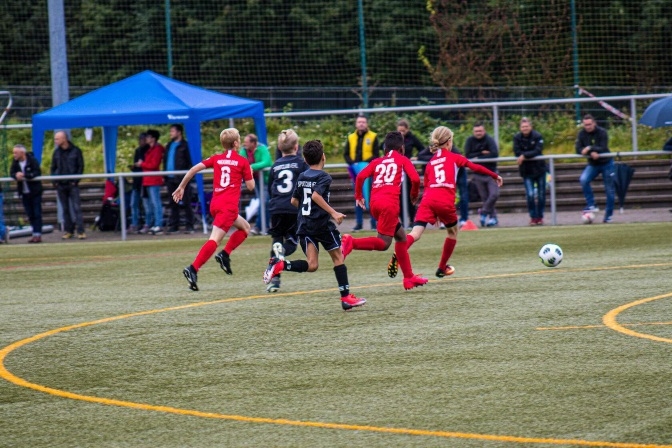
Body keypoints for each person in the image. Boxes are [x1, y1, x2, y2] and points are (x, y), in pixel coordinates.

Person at [263, 140, 366, 311]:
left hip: (304, 225)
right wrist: (334, 213)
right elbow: (316, 196)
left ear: (305, 158)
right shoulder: (324, 177)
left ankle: (281, 265)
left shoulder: (302, 176)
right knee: (338, 258)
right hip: (322, 225)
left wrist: (307, 212)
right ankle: (346, 298)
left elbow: (294, 200)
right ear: (323, 157)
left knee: (312, 265)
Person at [388, 126, 503, 279]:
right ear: (449, 142)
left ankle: (399, 251)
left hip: (428, 199)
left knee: (415, 233)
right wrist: (495, 175)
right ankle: (442, 267)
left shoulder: (430, 163)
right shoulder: (455, 157)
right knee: (453, 232)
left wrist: (433, 212)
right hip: (444, 199)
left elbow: (426, 185)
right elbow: (474, 166)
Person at [340, 131, 428, 291]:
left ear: (385, 149)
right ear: (402, 148)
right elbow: (415, 179)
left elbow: (360, 177)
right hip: (389, 205)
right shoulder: (403, 159)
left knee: (401, 237)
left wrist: (359, 196)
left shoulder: (377, 161)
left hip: (375, 203)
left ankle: (408, 278)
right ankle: (352, 242)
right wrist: (414, 195)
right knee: (383, 244)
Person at [173, 128, 255, 291]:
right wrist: (250, 172)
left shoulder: (217, 158)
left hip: (216, 204)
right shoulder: (242, 161)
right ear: (236, 143)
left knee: (245, 228)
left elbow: (194, 169)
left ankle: (224, 254)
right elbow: (251, 186)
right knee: (214, 240)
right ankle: (193, 268)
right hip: (228, 207)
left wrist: (181, 186)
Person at [264, 129, 309, 293]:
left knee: (276, 240)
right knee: (292, 242)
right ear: (297, 147)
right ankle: (281, 254)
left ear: (279, 148)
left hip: (276, 207)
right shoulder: (301, 164)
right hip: (293, 208)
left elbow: (270, 188)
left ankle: (274, 281)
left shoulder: (275, 166)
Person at [575, 114, 615, 223]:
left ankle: (608, 216)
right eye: (585, 125)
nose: (588, 127)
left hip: (607, 163)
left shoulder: (602, 132)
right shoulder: (581, 134)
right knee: (583, 179)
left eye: (589, 124)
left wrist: (589, 148)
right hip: (593, 164)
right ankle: (592, 204)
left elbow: (603, 147)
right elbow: (578, 149)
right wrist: (587, 151)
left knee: (609, 191)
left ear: (594, 123)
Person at [344, 114, 379, 231]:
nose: (361, 124)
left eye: (363, 122)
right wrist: (353, 164)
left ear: (367, 124)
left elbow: (376, 155)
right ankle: (359, 223)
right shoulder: (350, 137)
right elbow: (346, 154)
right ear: (356, 124)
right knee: (358, 196)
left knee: (371, 197)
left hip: (369, 172)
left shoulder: (373, 136)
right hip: (356, 173)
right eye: (359, 122)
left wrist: (366, 164)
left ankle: (374, 223)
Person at [464, 122, 500, 227]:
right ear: (473, 132)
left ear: (484, 131)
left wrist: (478, 158)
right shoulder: (470, 141)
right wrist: (482, 153)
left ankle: (483, 212)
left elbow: (494, 154)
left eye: (480, 131)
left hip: (491, 173)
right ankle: (493, 218)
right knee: (485, 198)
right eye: (476, 131)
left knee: (494, 195)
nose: (478, 133)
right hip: (478, 174)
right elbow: (468, 155)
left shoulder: (489, 140)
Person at [51, 131, 86, 239]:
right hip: (61, 184)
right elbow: (53, 167)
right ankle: (69, 230)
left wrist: (76, 180)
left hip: (72, 184)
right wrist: (54, 181)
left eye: (57, 139)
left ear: (64, 139)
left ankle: (81, 231)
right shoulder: (56, 152)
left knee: (76, 208)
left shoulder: (76, 151)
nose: (55, 141)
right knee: (65, 209)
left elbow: (80, 166)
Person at [513, 117, 547, 225]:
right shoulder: (517, 138)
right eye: (523, 127)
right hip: (526, 171)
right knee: (530, 195)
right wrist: (525, 155)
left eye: (527, 126)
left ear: (531, 127)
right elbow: (516, 151)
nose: (525, 128)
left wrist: (524, 155)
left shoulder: (537, 136)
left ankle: (540, 217)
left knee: (541, 195)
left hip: (540, 169)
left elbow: (538, 150)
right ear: (520, 128)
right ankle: (533, 217)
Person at [164, 124, 195, 234]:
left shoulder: (185, 145)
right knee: (173, 203)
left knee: (186, 202)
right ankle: (174, 226)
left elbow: (189, 162)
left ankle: (189, 225)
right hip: (170, 178)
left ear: (179, 132)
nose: (171, 133)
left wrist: (188, 177)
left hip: (182, 179)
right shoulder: (169, 145)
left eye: (172, 131)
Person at [10, 144, 44, 243]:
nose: (14, 155)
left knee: (37, 213)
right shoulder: (15, 162)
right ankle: (34, 233)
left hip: (35, 192)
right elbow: (11, 173)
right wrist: (16, 175)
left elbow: (37, 172)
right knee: (30, 214)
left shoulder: (32, 160)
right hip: (24, 192)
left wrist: (25, 175)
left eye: (16, 153)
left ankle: (38, 234)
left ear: (22, 153)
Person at [239, 133, 272, 235]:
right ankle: (265, 226)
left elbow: (266, 162)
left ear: (253, 143)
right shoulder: (244, 150)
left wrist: (250, 167)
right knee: (263, 202)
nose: (244, 144)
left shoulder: (262, 149)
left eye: (247, 142)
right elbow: (241, 163)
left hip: (266, 179)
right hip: (256, 180)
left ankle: (259, 226)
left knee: (264, 202)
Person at [135, 129, 165, 235]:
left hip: (153, 180)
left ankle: (158, 224)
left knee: (156, 203)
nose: (146, 139)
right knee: (151, 204)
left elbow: (154, 165)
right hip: (147, 180)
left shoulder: (156, 149)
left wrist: (142, 164)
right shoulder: (150, 149)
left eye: (148, 137)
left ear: (153, 138)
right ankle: (154, 224)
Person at [396, 119, 424, 227]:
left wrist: (417, 157)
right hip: (397, 171)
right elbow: (383, 146)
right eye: (400, 131)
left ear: (407, 129)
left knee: (410, 197)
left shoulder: (412, 138)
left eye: (403, 131)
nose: (401, 133)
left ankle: (413, 220)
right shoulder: (394, 138)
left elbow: (422, 149)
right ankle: (403, 221)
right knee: (399, 198)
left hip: (408, 171)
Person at [129, 133, 149, 233]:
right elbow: (137, 165)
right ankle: (135, 223)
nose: (141, 142)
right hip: (136, 181)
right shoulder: (138, 151)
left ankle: (148, 223)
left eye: (143, 139)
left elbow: (148, 165)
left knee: (146, 205)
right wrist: (134, 166)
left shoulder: (149, 150)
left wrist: (141, 165)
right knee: (133, 204)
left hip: (145, 181)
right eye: (140, 140)